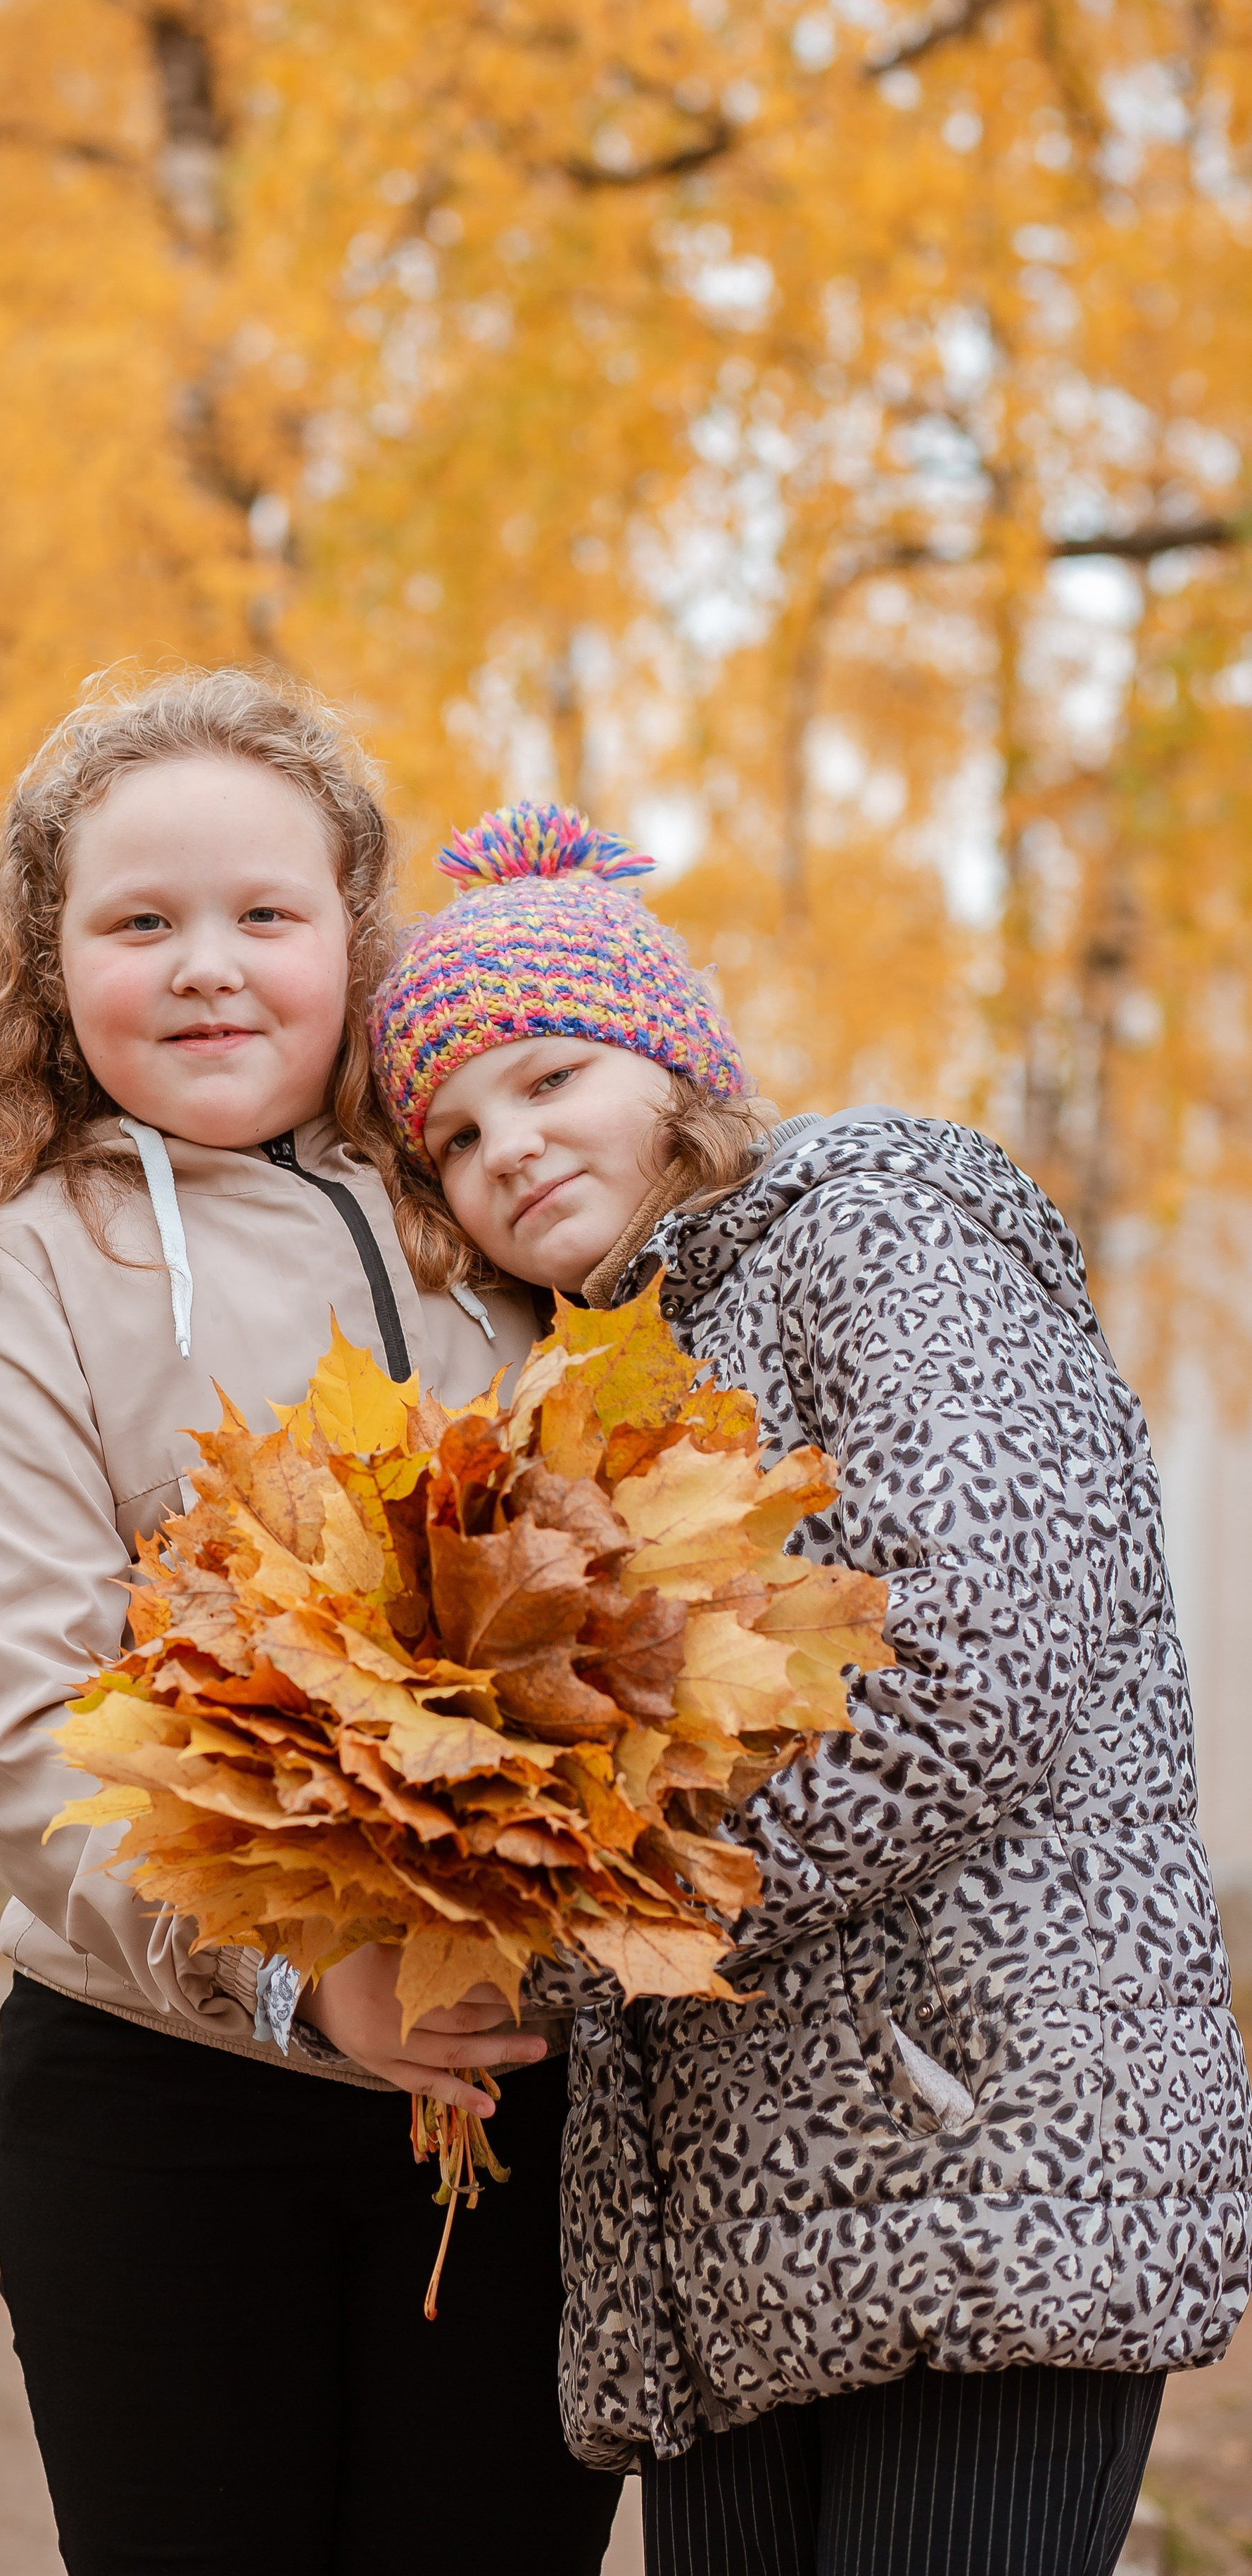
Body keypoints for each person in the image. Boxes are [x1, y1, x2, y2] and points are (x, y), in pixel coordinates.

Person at [365, 799, 1252, 2576]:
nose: (509, 1149)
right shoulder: (602, 1385)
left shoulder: (876, 1229)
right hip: (747, 2222)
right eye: (455, 1136)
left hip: (981, 2147)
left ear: (672, 1062)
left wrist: (615, 1903)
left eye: (548, 1079)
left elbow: (973, 1655)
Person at [0, 687, 624, 2576]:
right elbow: (30, 1739)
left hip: (514, 2105)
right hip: (162, 2109)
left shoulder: (489, 1219)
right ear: (50, 964)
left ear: (356, 937)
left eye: (265, 917)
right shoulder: (12, 1275)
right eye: (139, 923)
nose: (207, 971)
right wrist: (302, 1978)